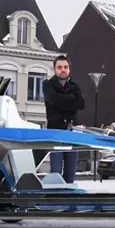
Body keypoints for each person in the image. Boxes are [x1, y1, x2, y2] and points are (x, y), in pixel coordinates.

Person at [42, 55, 85, 183]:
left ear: (69, 70)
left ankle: (69, 199)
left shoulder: (75, 86)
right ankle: (55, 199)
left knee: (70, 173)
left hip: (72, 132)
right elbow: (53, 100)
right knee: (56, 172)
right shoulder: (47, 84)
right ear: (54, 69)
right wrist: (71, 99)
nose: (63, 70)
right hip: (56, 132)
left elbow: (81, 104)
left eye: (65, 67)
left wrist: (62, 101)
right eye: (59, 67)